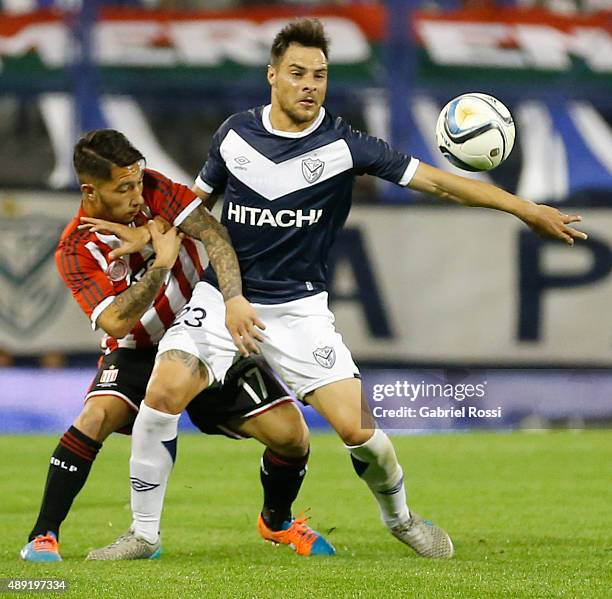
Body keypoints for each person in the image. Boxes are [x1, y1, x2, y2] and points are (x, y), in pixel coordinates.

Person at [91, 18, 587, 560]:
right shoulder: (234, 134)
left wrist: (524, 208)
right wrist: (148, 233)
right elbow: (194, 204)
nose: (310, 84)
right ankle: (143, 534)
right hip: (223, 296)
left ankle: (400, 519)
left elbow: (442, 182)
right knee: (162, 396)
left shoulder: (346, 146)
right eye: (298, 73)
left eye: (320, 75)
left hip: (299, 309)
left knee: (357, 430)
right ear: (272, 76)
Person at [20, 129, 334, 563]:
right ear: (90, 191)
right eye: (123, 187)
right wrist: (163, 262)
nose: (137, 193)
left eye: (137, 180)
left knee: (292, 437)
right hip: (138, 350)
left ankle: (277, 521)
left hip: (203, 337)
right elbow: (115, 319)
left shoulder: (156, 190)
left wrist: (231, 301)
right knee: (94, 418)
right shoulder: (75, 247)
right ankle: (43, 536)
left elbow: (216, 236)